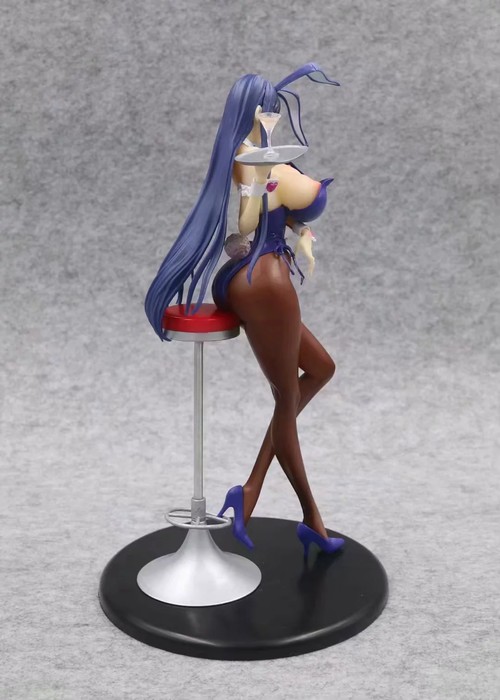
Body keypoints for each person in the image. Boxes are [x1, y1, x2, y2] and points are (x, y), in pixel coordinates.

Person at [145, 63, 344, 559]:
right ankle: (312, 521)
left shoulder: (259, 158)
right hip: (265, 281)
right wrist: (268, 184)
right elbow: (254, 218)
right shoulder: (254, 161)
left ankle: (250, 491)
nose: (273, 115)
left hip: (254, 274)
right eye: (268, 109)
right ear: (257, 112)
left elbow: (274, 216)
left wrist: (301, 230)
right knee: (286, 397)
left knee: (320, 369)